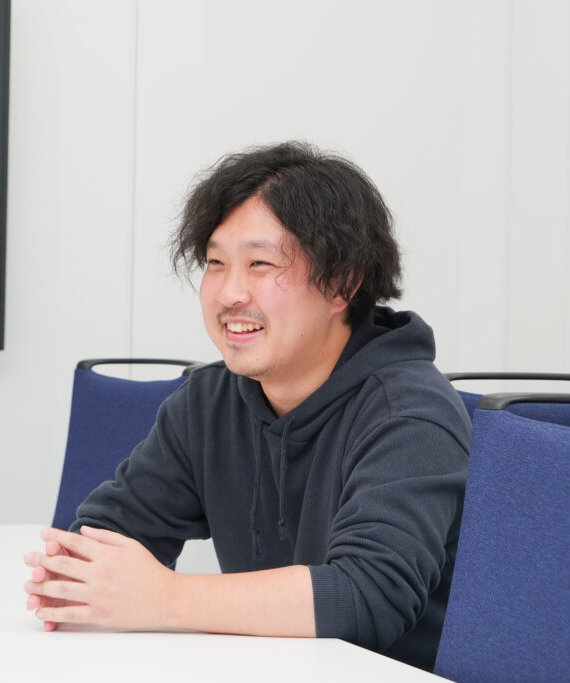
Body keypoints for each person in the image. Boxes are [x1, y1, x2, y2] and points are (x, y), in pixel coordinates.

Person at [23, 141, 470, 671]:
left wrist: (166, 597)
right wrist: (78, 573)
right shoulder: (209, 400)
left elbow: (368, 595)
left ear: (342, 284)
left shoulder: (410, 414)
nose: (229, 293)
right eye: (216, 263)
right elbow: (107, 533)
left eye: (260, 263)